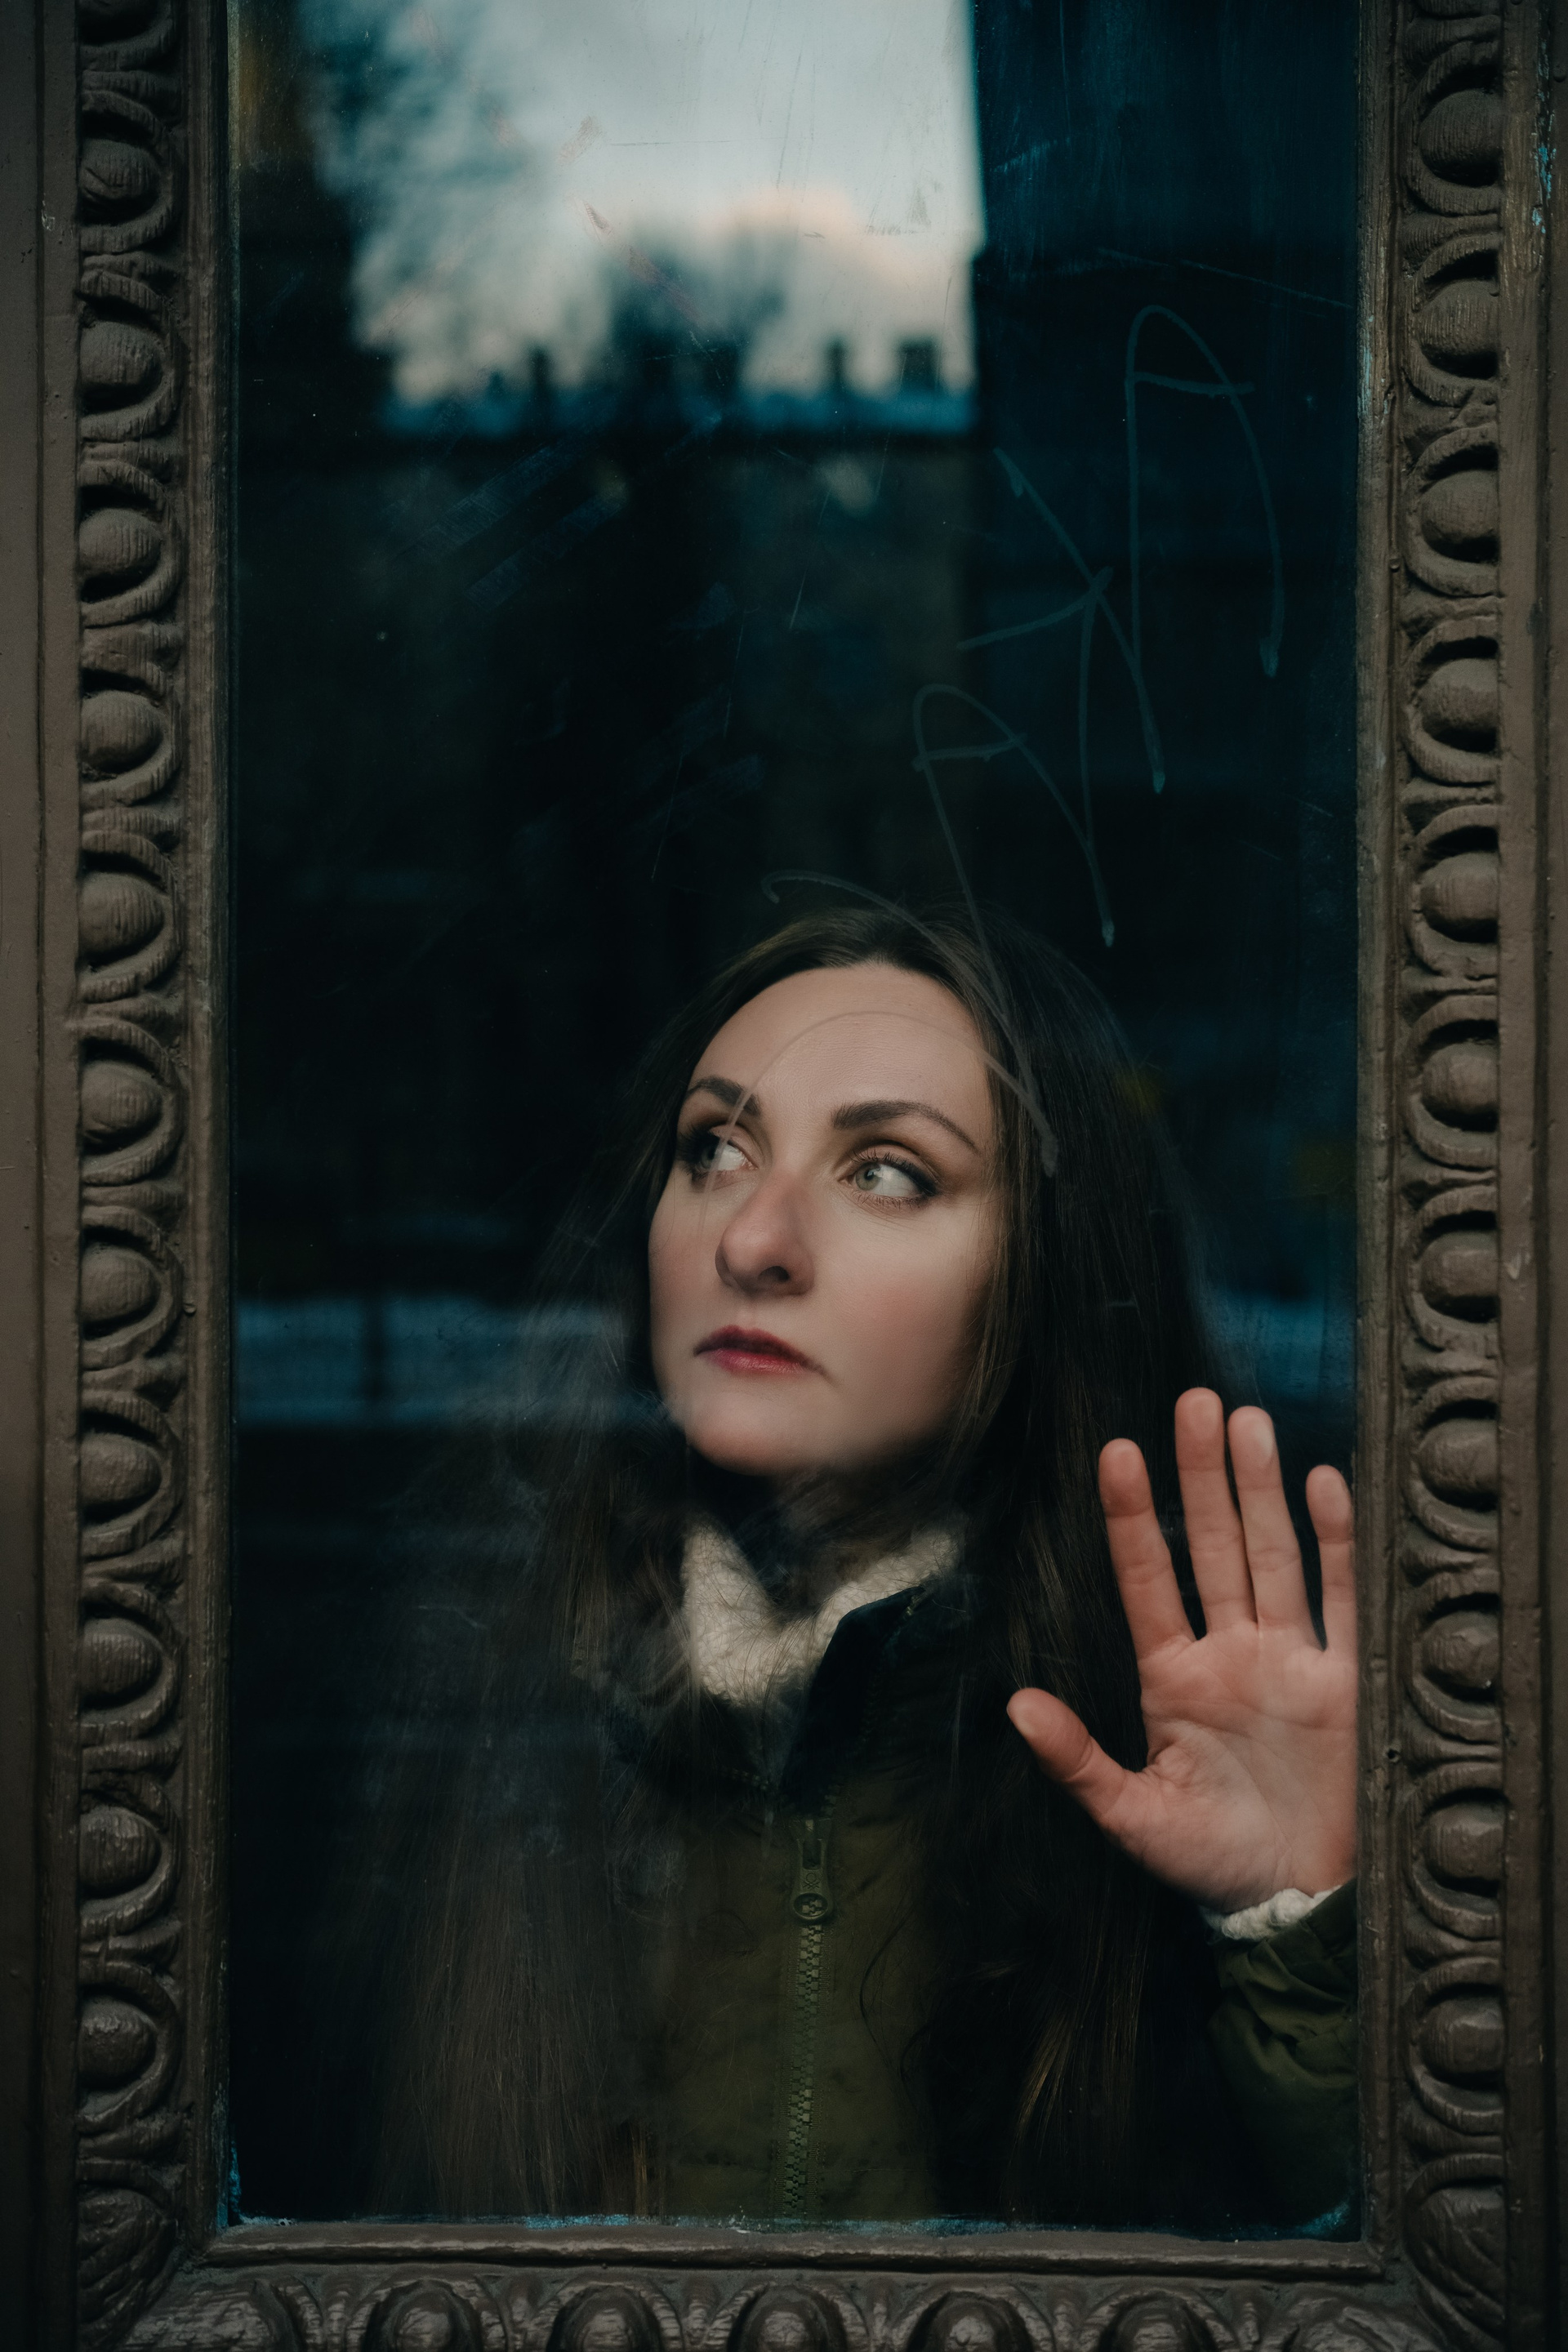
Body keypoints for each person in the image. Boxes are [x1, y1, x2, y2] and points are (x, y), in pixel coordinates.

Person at [330, 905, 1357, 2230]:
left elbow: (1422, 2285)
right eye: (714, 1148)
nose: (751, 1240)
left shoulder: (1153, 1735)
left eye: (888, 1172)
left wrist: (1288, 1932)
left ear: (1043, 1273)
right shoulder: (494, 1699)